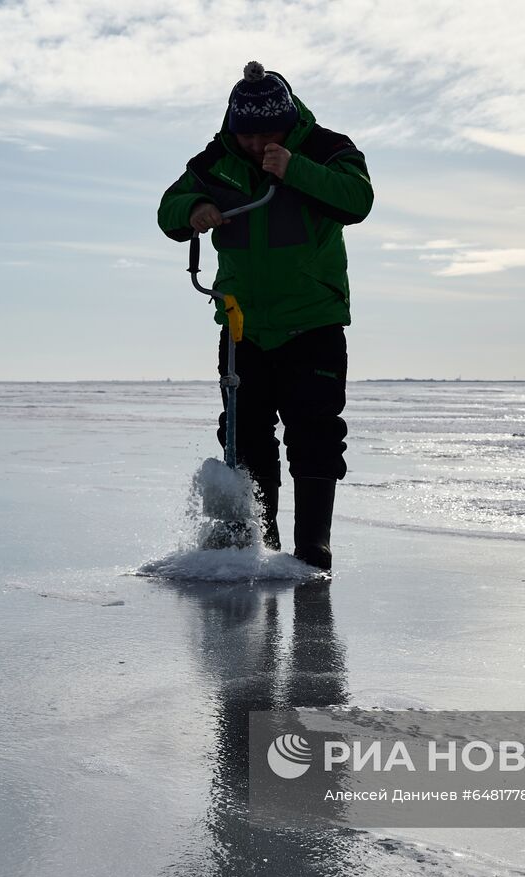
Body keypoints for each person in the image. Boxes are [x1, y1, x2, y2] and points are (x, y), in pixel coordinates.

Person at [157, 62, 373, 572]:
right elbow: (169, 207)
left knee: (314, 432)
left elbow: (357, 200)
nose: (255, 144)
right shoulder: (216, 160)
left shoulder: (326, 148)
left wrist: (293, 167)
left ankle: (313, 548)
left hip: (313, 322)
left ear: (287, 121)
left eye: (265, 134)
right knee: (244, 435)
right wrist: (194, 209)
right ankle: (261, 546)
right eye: (246, 134)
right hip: (242, 326)